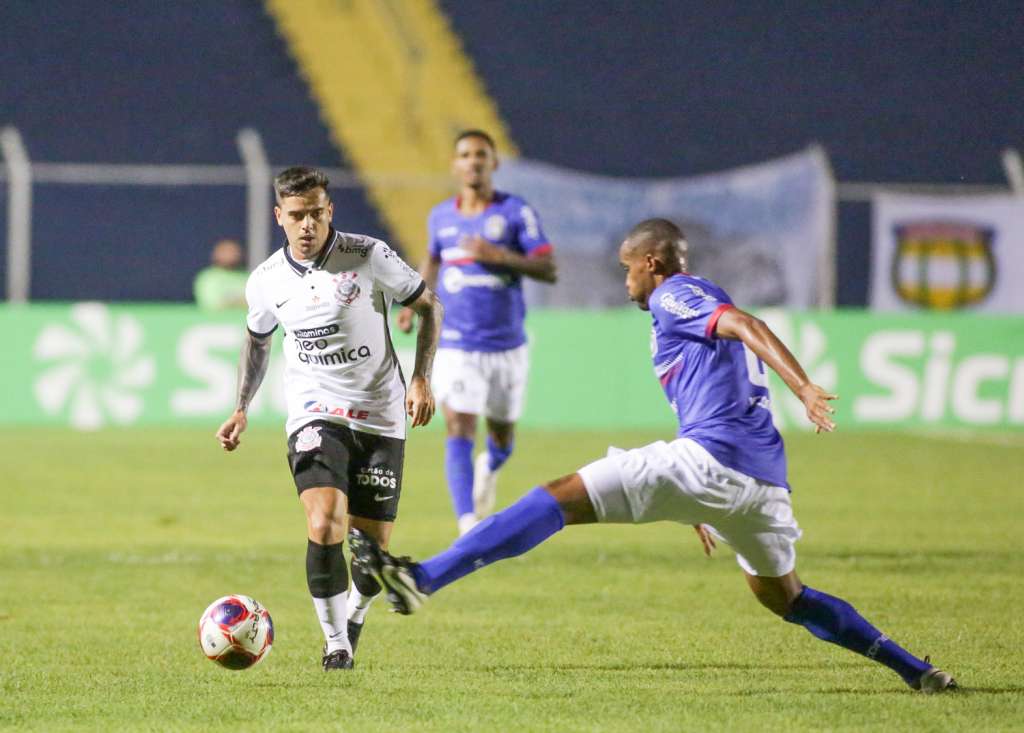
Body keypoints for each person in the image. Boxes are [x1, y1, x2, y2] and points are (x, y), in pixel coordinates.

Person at [350, 218, 957, 693]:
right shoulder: (689, 300)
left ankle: (421, 577)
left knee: (557, 498)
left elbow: (743, 323)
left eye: (627, 271)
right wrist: (698, 502)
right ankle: (915, 671)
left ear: (650, 263)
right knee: (788, 598)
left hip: (712, 462)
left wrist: (801, 386)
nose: (626, 284)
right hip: (761, 485)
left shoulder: (676, 296)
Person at [215, 166, 443, 671]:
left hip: (381, 414)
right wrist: (241, 407)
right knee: (324, 522)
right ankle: (335, 642)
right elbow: (257, 340)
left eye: (316, 213)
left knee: (369, 551)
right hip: (315, 411)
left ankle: (357, 616)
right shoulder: (267, 281)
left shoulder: (368, 255)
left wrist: (422, 377)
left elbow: (430, 307)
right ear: (280, 217)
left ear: (329, 211)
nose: (307, 224)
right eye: (297, 215)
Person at [396, 129, 557, 536]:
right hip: (456, 343)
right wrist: (416, 302)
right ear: (455, 164)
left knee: (502, 438)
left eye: (481, 155)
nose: (473, 161)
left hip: (506, 346)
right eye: (465, 154)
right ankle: (468, 522)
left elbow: (548, 267)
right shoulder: (440, 216)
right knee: (458, 425)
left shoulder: (516, 212)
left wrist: (499, 256)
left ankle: (491, 465)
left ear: (493, 163)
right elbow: (431, 260)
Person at [194, 238, 249, 310]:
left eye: (233, 251)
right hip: (216, 320)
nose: (229, 255)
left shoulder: (249, 276)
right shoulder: (209, 276)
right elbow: (211, 304)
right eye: (225, 252)